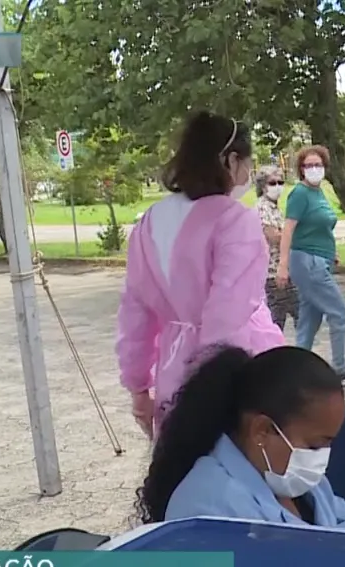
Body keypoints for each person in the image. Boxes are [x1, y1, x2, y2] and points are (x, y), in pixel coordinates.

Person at [116, 111, 286, 439]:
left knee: (180, 469)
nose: (249, 172)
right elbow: (228, 313)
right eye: (247, 163)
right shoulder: (235, 219)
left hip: (172, 369)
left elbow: (135, 314)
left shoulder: (150, 221)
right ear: (231, 160)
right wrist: (212, 388)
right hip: (230, 369)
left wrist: (138, 387)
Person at [134, 344, 345, 532]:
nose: (322, 456)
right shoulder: (205, 508)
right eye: (315, 445)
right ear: (262, 430)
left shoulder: (303, 486)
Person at [277, 146, 345, 379]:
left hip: (320, 259)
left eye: (318, 165)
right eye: (308, 165)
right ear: (301, 170)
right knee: (339, 313)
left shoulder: (319, 193)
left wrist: (332, 252)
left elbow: (321, 226)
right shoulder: (299, 194)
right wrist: (283, 264)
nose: (314, 169)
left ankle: (297, 371)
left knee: (310, 318)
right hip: (307, 261)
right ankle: (340, 368)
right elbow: (288, 229)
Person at [255, 166, 298, 331]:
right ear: (263, 186)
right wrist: (296, 236)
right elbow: (273, 236)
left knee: (282, 318)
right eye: (273, 182)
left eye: (281, 182)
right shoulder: (262, 208)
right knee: (281, 318)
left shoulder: (275, 208)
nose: (278, 186)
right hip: (273, 272)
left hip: (284, 269)